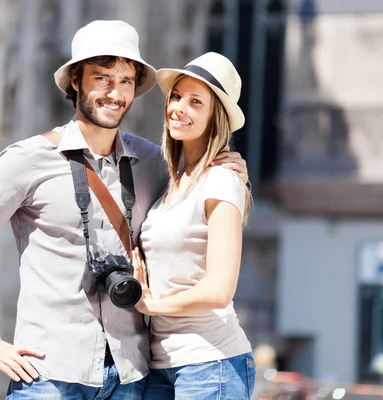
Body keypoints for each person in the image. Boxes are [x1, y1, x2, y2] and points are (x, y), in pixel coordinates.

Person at [0, 20, 248, 400]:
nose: (114, 93)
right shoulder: (29, 159)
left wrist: (233, 169)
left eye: (126, 81)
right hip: (49, 374)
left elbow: (197, 201)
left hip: (132, 378)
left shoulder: (151, 162)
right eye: (101, 78)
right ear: (75, 82)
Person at [133, 52, 256, 399]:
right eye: (176, 96)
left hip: (211, 363)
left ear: (215, 115)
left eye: (195, 101)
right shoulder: (172, 183)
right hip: (161, 365)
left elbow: (219, 290)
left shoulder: (220, 180)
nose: (179, 108)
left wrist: (149, 304)